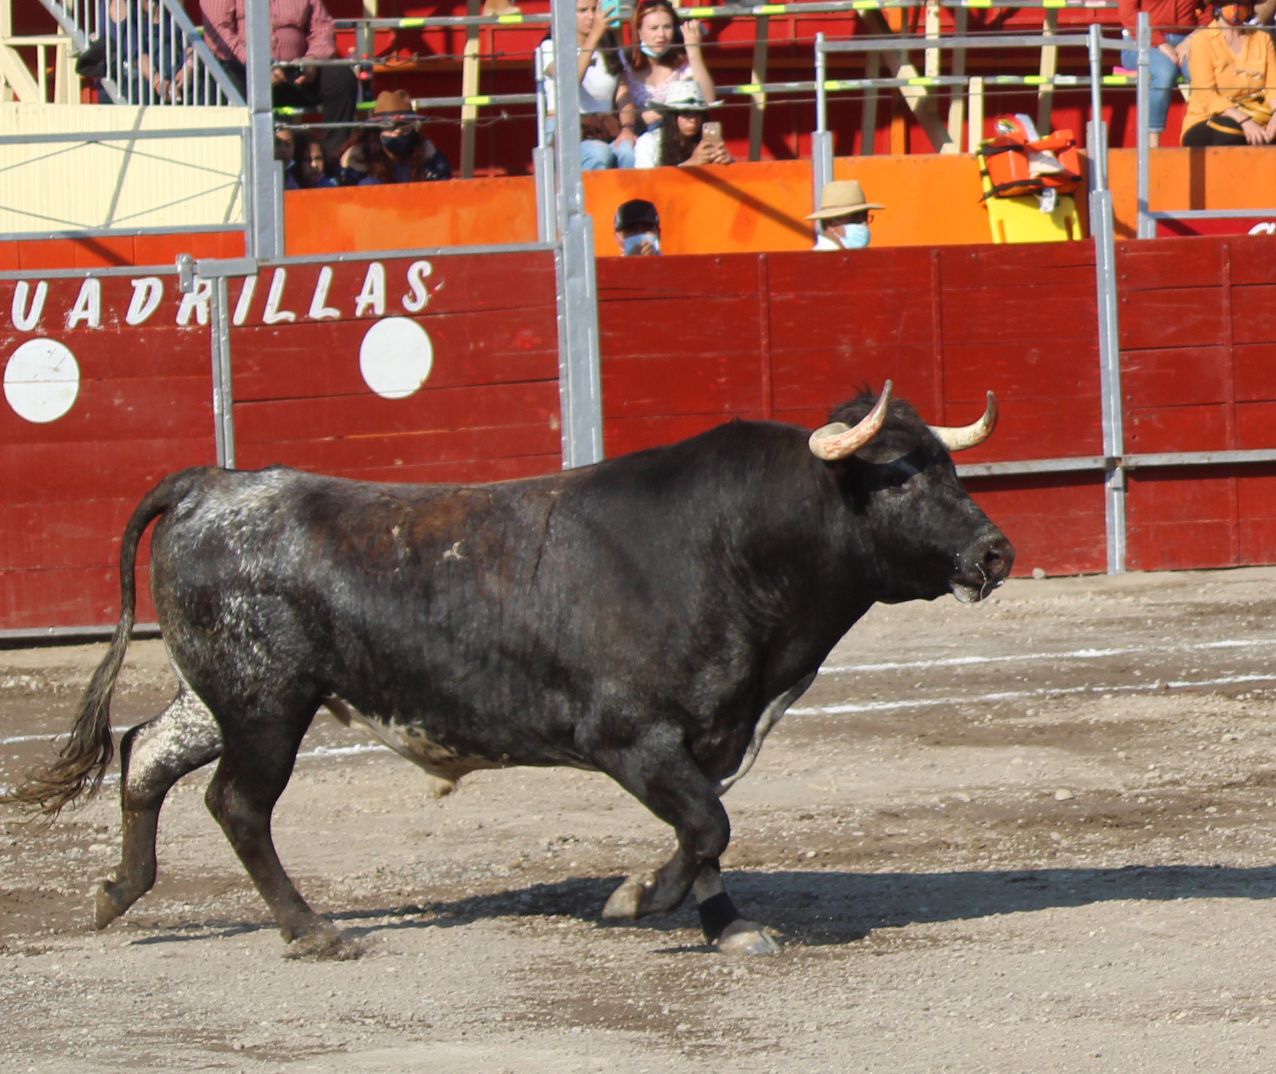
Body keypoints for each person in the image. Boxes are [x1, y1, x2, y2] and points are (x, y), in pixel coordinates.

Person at [199, 0, 359, 163]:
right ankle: (239, 161)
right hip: (244, 69)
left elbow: (322, 28)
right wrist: (257, 64)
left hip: (297, 69)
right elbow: (218, 33)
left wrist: (312, 59)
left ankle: (332, 158)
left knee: (342, 79)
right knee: (228, 80)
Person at [536, 0, 634, 169]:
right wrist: (594, 36)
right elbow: (569, 83)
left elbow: (623, 96)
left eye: (595, 9)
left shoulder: (610, 48)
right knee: (599, 153)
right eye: (582, 10)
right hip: (566, 129)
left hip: (605, 128)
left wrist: (627, 128)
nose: (590, 16)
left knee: (629, 151)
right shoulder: (550, 46)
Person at [1181, 0, 1276, 145]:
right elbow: (1208, 96)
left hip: (1258, 114)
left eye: (1243, 3)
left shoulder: (1263, 39)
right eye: (1228, 2)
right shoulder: (1202, 41)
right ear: (1217, 7)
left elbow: (1273, 87)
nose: (1236, 8)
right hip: (1209, 118)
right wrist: (1244, 121)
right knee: (1231, 131)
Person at [619, 0, 716, 140]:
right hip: (635, 134)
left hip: (671, 137)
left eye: (667, 27)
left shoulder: (681, 62)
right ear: (639, 31)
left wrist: (693, 51)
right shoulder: (624, 60)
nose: (661, 35)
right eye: (653, 28)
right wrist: (642, 117)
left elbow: (708, 98)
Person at [1118, 0, 1207, 146]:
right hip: (1140, 40)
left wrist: (1192, 38)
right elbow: (1127, 14)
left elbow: (1210, 9)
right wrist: (1160, 42)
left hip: (1187, 40)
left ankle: (1204, 136)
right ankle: (1152, 147)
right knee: (1164, 72)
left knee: (1201, 70)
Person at [336, 89, 452, 185]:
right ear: (377, 129)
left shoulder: (428, 155)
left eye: (404, 125)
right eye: (389, 126)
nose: (398, 131)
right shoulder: (359, 157)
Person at [633, 79, 732, 167]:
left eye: (697, 113)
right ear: (672, 116)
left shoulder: (709, 141)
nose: (693, 120)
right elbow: (645, 182)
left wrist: (728, 164)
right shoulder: (648, 143)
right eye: (686, 113)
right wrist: (691, 164)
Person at [805, 179, 885, 250]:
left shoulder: (858, 258)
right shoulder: (818, 263)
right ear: (830, 223)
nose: (864, 224)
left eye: (864, 217)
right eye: (855, 219)